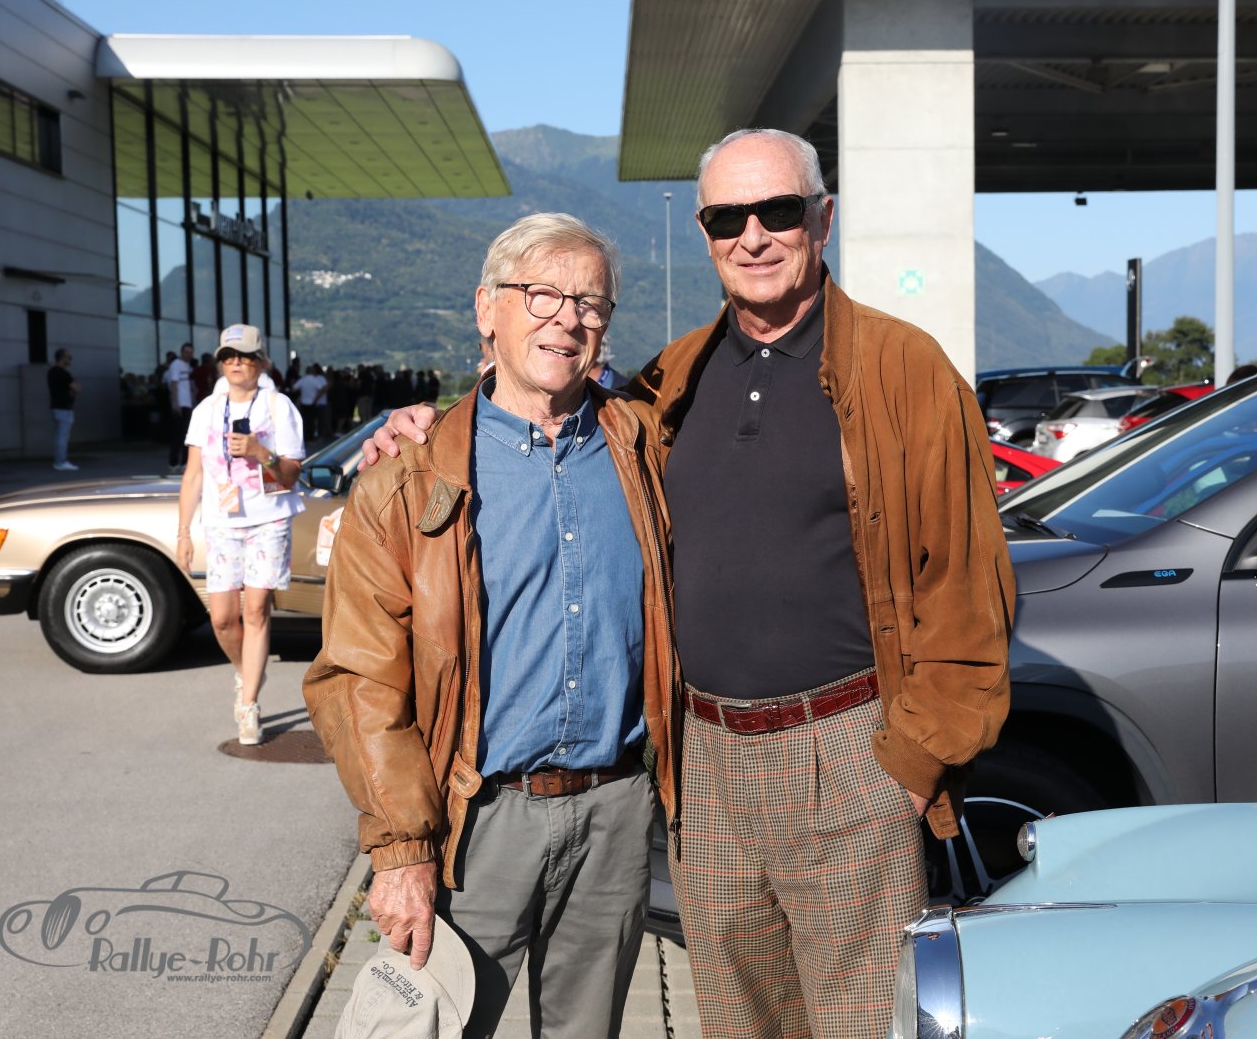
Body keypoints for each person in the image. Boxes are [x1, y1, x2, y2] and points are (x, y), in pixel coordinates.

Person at [365, 130, 1016, 1039]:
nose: (754, 235)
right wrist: (424, 427)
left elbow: (970, 588)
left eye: (778, 211)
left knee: (863, 1021)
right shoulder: (670, 381)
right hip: (702, 764)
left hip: (846, 752)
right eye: (726, 218)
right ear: (704, 234)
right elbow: (535, 404)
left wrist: (910, 769)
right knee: (738, 1022)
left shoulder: (904, 370)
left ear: (822, 219)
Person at [304, 213, 677, 1039]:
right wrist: (401, 850)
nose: (566, 318)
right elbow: (361, 681)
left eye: (589, 301)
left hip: (616, 813)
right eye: (541, 293)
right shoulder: (408, 479)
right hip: (474, 823)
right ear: (487, 309)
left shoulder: (645, 449)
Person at [177, 324, 305, 745]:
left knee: (256, 610)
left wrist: (259, 452)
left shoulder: (279, 407)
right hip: (221, 523)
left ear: (261, 363)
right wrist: (183, 533)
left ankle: (248, 705)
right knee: (221, 618)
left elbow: (291, 475)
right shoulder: (205, 411)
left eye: (245, 356)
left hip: (269, 519)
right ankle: (247, 670)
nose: (236, 363)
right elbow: (193, 476)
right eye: (228, 356)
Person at [165, 342, 196, 472]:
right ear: (182, 352)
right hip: (180, 404)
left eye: (190, 353)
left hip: (187, 403)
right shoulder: (176, 365)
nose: (188, 355)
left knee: (186, 434)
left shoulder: (187, 366)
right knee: (178, 434)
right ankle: (173, 462)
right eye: (186, 352)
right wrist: (175, 403)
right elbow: (174, 384)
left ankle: (184, 462)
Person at [47, 348, 80, 471]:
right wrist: (74, 389)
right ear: (62, 358)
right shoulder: (64, 373)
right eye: (68, 357)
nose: (70, 359)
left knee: (59, 436)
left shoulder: (51, 372)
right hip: (64, 408)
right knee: (63, 436)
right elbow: (76, 388)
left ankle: (59, 461)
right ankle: (61, 461)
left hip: (56, 407)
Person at [292, 362, 329, 445]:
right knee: (311, 422)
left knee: (305, 421)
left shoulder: (302, 380)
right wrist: (315, 398)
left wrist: (302, 393)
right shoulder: (314, 380)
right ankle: (310, 438)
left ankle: (305, 438)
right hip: (312, 403)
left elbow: (294, 388)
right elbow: (322, 389)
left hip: (304, 403)